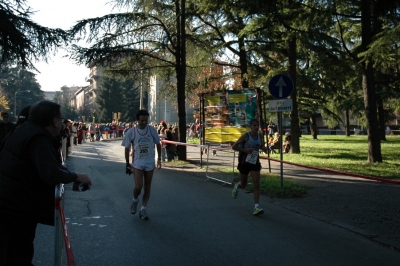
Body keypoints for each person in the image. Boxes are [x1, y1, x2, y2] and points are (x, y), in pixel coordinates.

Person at [0, 100, 92, 265]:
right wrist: (76, 176)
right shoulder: (38, 138)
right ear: (55, 121)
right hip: (15, 209)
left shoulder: (23, 130)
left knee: (12, 254)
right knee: (17, 255)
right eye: (61, 118)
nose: (63, 122)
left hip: (10, 203)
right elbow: (51, 173)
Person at [121, 109, 162, 220]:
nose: (144, 122)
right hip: (138, 162)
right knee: (138, 186)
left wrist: (159, 159)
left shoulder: (152, 130)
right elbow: (126, 147)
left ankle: (143, 209)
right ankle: (135, 200)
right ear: (137, 120)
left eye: (145, 120)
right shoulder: (131, 132)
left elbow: (158, 143)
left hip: (149, 162)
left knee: (147, 187)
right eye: (142, 121)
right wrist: (127, 163)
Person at [231, 118, 267, 216]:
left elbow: (260, 145)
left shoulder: (259, 135)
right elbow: (234, 147)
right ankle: (237, 186)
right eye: (254, 125)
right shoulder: (246, 136)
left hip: (254, 162)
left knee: (256, 184)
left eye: (257, 125)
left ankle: (256, 206)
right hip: (244, 162)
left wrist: (264, 148)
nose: (256, 127)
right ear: (250, 126)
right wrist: (245, 150)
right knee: (243, 184)